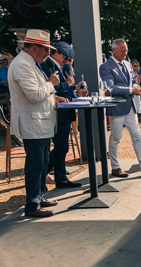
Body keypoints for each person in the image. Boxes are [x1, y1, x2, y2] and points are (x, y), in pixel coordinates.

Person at [8, 29, 66, 217]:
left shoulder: (27, 63)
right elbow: (34, 95)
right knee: (36, 164)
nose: (48, 54)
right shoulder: (23, 65)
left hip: (38, 123)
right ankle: (32, 205)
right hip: (33, 124)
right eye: (46, 50)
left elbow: (35, 93)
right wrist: (51, 84)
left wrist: (53, 96)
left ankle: (39, 198)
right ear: (34, 48)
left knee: (42, 162)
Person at [100, 39, 141, 177]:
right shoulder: (105, 67)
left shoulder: (127, 64)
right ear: (114, 50)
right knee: (116, 138)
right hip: (117, 107)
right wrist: (131, 90)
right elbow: (111, 87)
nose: (125, 53)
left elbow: (132, 80)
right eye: (122, 51)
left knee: (137, 136)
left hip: (130, 106)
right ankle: (115, 168)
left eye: (126, 50)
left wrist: (136, 86)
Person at [40, 42, 88, 188]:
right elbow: (51, 88)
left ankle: (60, 178)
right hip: (56, 111)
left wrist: (76, 91)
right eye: (66, 58)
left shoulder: (62, 68)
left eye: (70, 60)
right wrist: (67, 84)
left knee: (62, 147)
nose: (68, 62)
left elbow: (66, 89)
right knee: (61, 148)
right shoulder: (46, 65)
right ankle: (40, 175)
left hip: (65, 111)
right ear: (57, 53)